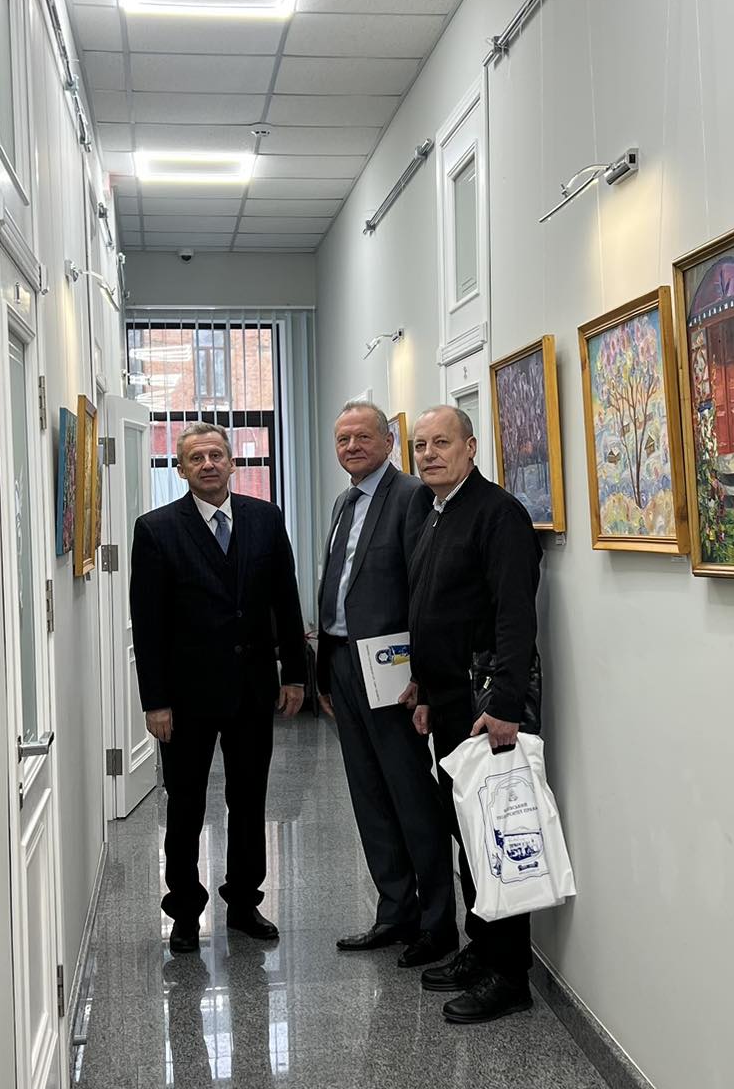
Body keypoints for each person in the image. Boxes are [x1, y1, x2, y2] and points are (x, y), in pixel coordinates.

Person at [129, 421, 307, 955]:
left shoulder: (265, 519)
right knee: (185, 804)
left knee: (249, 799)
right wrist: (155, 701)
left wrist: (295, 674)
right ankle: (185, 909)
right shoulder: (157, 529)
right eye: (196, 458)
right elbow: (149, 624)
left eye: (216, 455)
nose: (208, 464)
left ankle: (245, 901)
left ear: (232, 463)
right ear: (180, 469)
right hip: (185, 698)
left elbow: (286, 600)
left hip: (252, 690)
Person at [406, 405, 542, 1025]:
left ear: (471, 448)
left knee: (497, 836)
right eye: (420, 446)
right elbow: (434, 609)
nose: (429, 454)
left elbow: (515, 615)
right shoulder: (435, 511)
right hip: (448, 700)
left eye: (441, 443)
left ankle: (509, 975)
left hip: (487, 704)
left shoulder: (498, 514)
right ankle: (482, 949)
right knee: (466, 832)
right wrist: (425, 690)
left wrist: (506, 706)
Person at [316, 401, 454, 968]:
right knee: (369, 794)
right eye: (342, 439)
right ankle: (394, 912)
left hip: (391, 669)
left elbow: (423, 588)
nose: (351, 446)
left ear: (389, 441)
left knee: (410, 794)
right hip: (343, 662)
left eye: (363, 437)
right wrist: (323, 670)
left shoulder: (409, 496)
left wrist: (420, 674)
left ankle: (437, 923)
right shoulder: (344, 502)